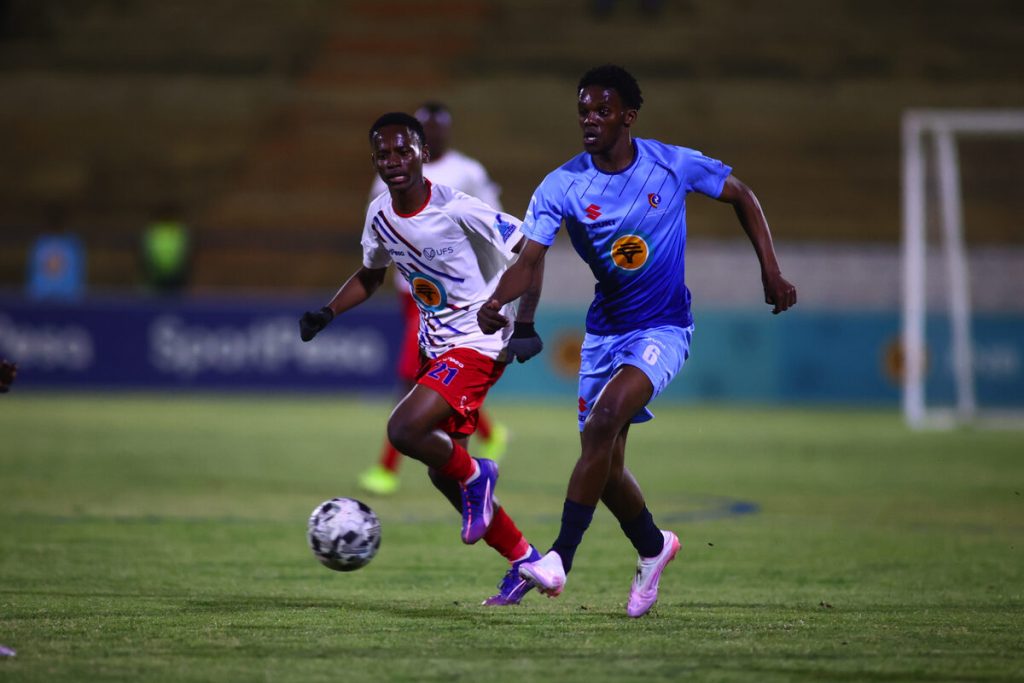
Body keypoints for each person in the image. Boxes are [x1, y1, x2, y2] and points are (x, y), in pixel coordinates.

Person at [478, 64, 797, 617]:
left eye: (601, 111)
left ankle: (559, 558)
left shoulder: (672, 164)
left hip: (664, 328)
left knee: (602, 425)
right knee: (605, 469)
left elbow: (742, 194)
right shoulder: (563, 185)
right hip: (603, 334)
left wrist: (769, 268)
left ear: (627, 116)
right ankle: (654, 548)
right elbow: (529, 259)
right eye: (583, 111)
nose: (590, 121)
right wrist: (496, 303)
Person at [299, 112, 545, 606]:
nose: (393, 161)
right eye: (383, 154)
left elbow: (531, 250)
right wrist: (328, 311)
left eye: (402, 151)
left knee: (404, 430)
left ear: (423, 153)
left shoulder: (458, 207)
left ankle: (481, 473)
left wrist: (523, 323)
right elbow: (371, 275)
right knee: (440, 471)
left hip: (478, 341)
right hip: (438, 347)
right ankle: (528, 562)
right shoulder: (379, 215)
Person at [361, 101, 510, 496]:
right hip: (411, 295)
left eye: (437, 127)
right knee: (433, 380)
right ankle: (489, 436)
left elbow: (494, 227)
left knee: (411, 378)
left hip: (459, 298)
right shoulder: (385, 181)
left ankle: (386, 468)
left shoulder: (467, 172)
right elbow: (381, 237)